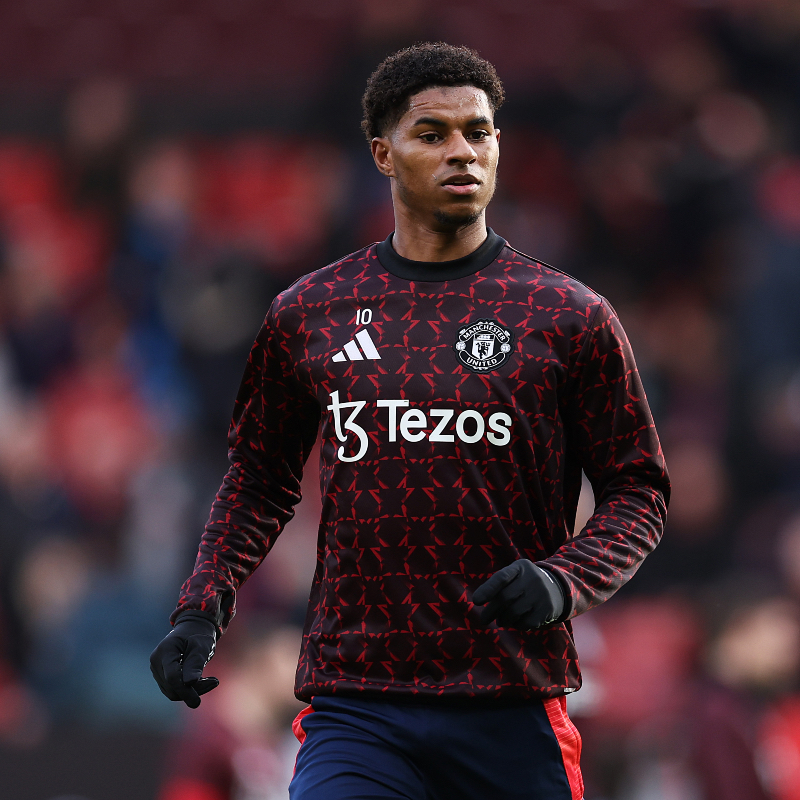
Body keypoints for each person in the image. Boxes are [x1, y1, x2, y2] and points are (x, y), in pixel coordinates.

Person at [150, 42, 671, 800]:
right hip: (360, 704)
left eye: (479, 132)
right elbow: (258, 481)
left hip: (511, 699)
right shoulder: (309, 313)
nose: (462, 151)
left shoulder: (568, 316)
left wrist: (565, 583)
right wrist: (201, 608)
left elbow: (640, 490)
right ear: (383, 154)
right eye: (433, 134)